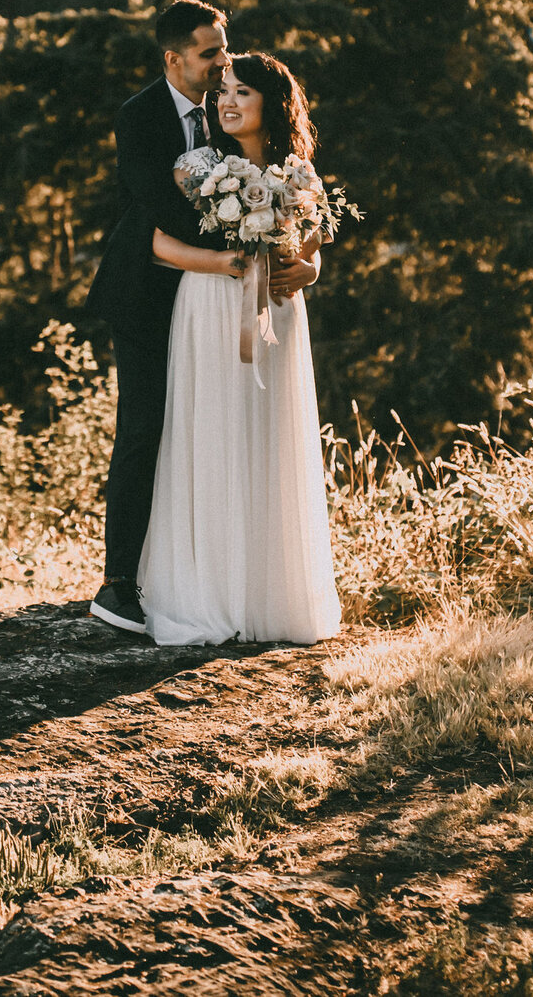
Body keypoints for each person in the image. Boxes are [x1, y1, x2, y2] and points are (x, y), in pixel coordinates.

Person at [86, 1, 314, 634]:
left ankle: (222, 577)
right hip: (146, 294)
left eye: (225, 49)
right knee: (145, 427)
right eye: (212, 53)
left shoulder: (225, 117)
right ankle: (121, 585)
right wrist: (242, 241)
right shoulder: (141, 118)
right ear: (174, 58)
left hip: (212, 301)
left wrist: (299, 254)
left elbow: (294, 196)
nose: (224, 62)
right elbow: (155, 211)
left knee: (216, 429)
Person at [134, 52, 343, 645]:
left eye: (241, 92)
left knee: (269, 436)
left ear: (270, 105)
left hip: (277, 311)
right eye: (222, 91)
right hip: (209, 306)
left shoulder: (298, 174)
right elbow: (156, 243)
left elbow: (314, 243)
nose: (225, 102)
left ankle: (269, 596)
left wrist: (310, 271)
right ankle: (210, 592)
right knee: (214, 434)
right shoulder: (196, 167)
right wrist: (228, 263)